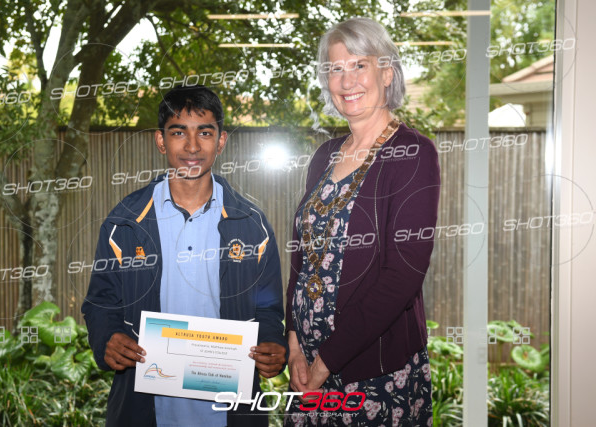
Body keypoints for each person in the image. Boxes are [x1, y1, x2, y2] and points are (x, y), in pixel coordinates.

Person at [82, 85, 287, 427]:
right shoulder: (124, 222)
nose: (192, 147)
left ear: (221, 141)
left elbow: (267, 309)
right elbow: (100, 302)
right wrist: (108, 338)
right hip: (144, 409)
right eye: (179, 133)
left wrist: (271, 342)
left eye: (204, 133)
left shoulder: (252, 225)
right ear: (161, 141)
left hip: (230, 411)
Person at [284, 18, 440, 426]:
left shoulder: (413, 153)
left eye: (359, 65)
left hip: (373, 374)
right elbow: (303, 256)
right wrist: (294, 344)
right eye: (336, 68)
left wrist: (324, 362)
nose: (346, 80)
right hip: (307, 368)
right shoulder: (324, 155)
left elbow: (403, 275)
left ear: (386, 73)